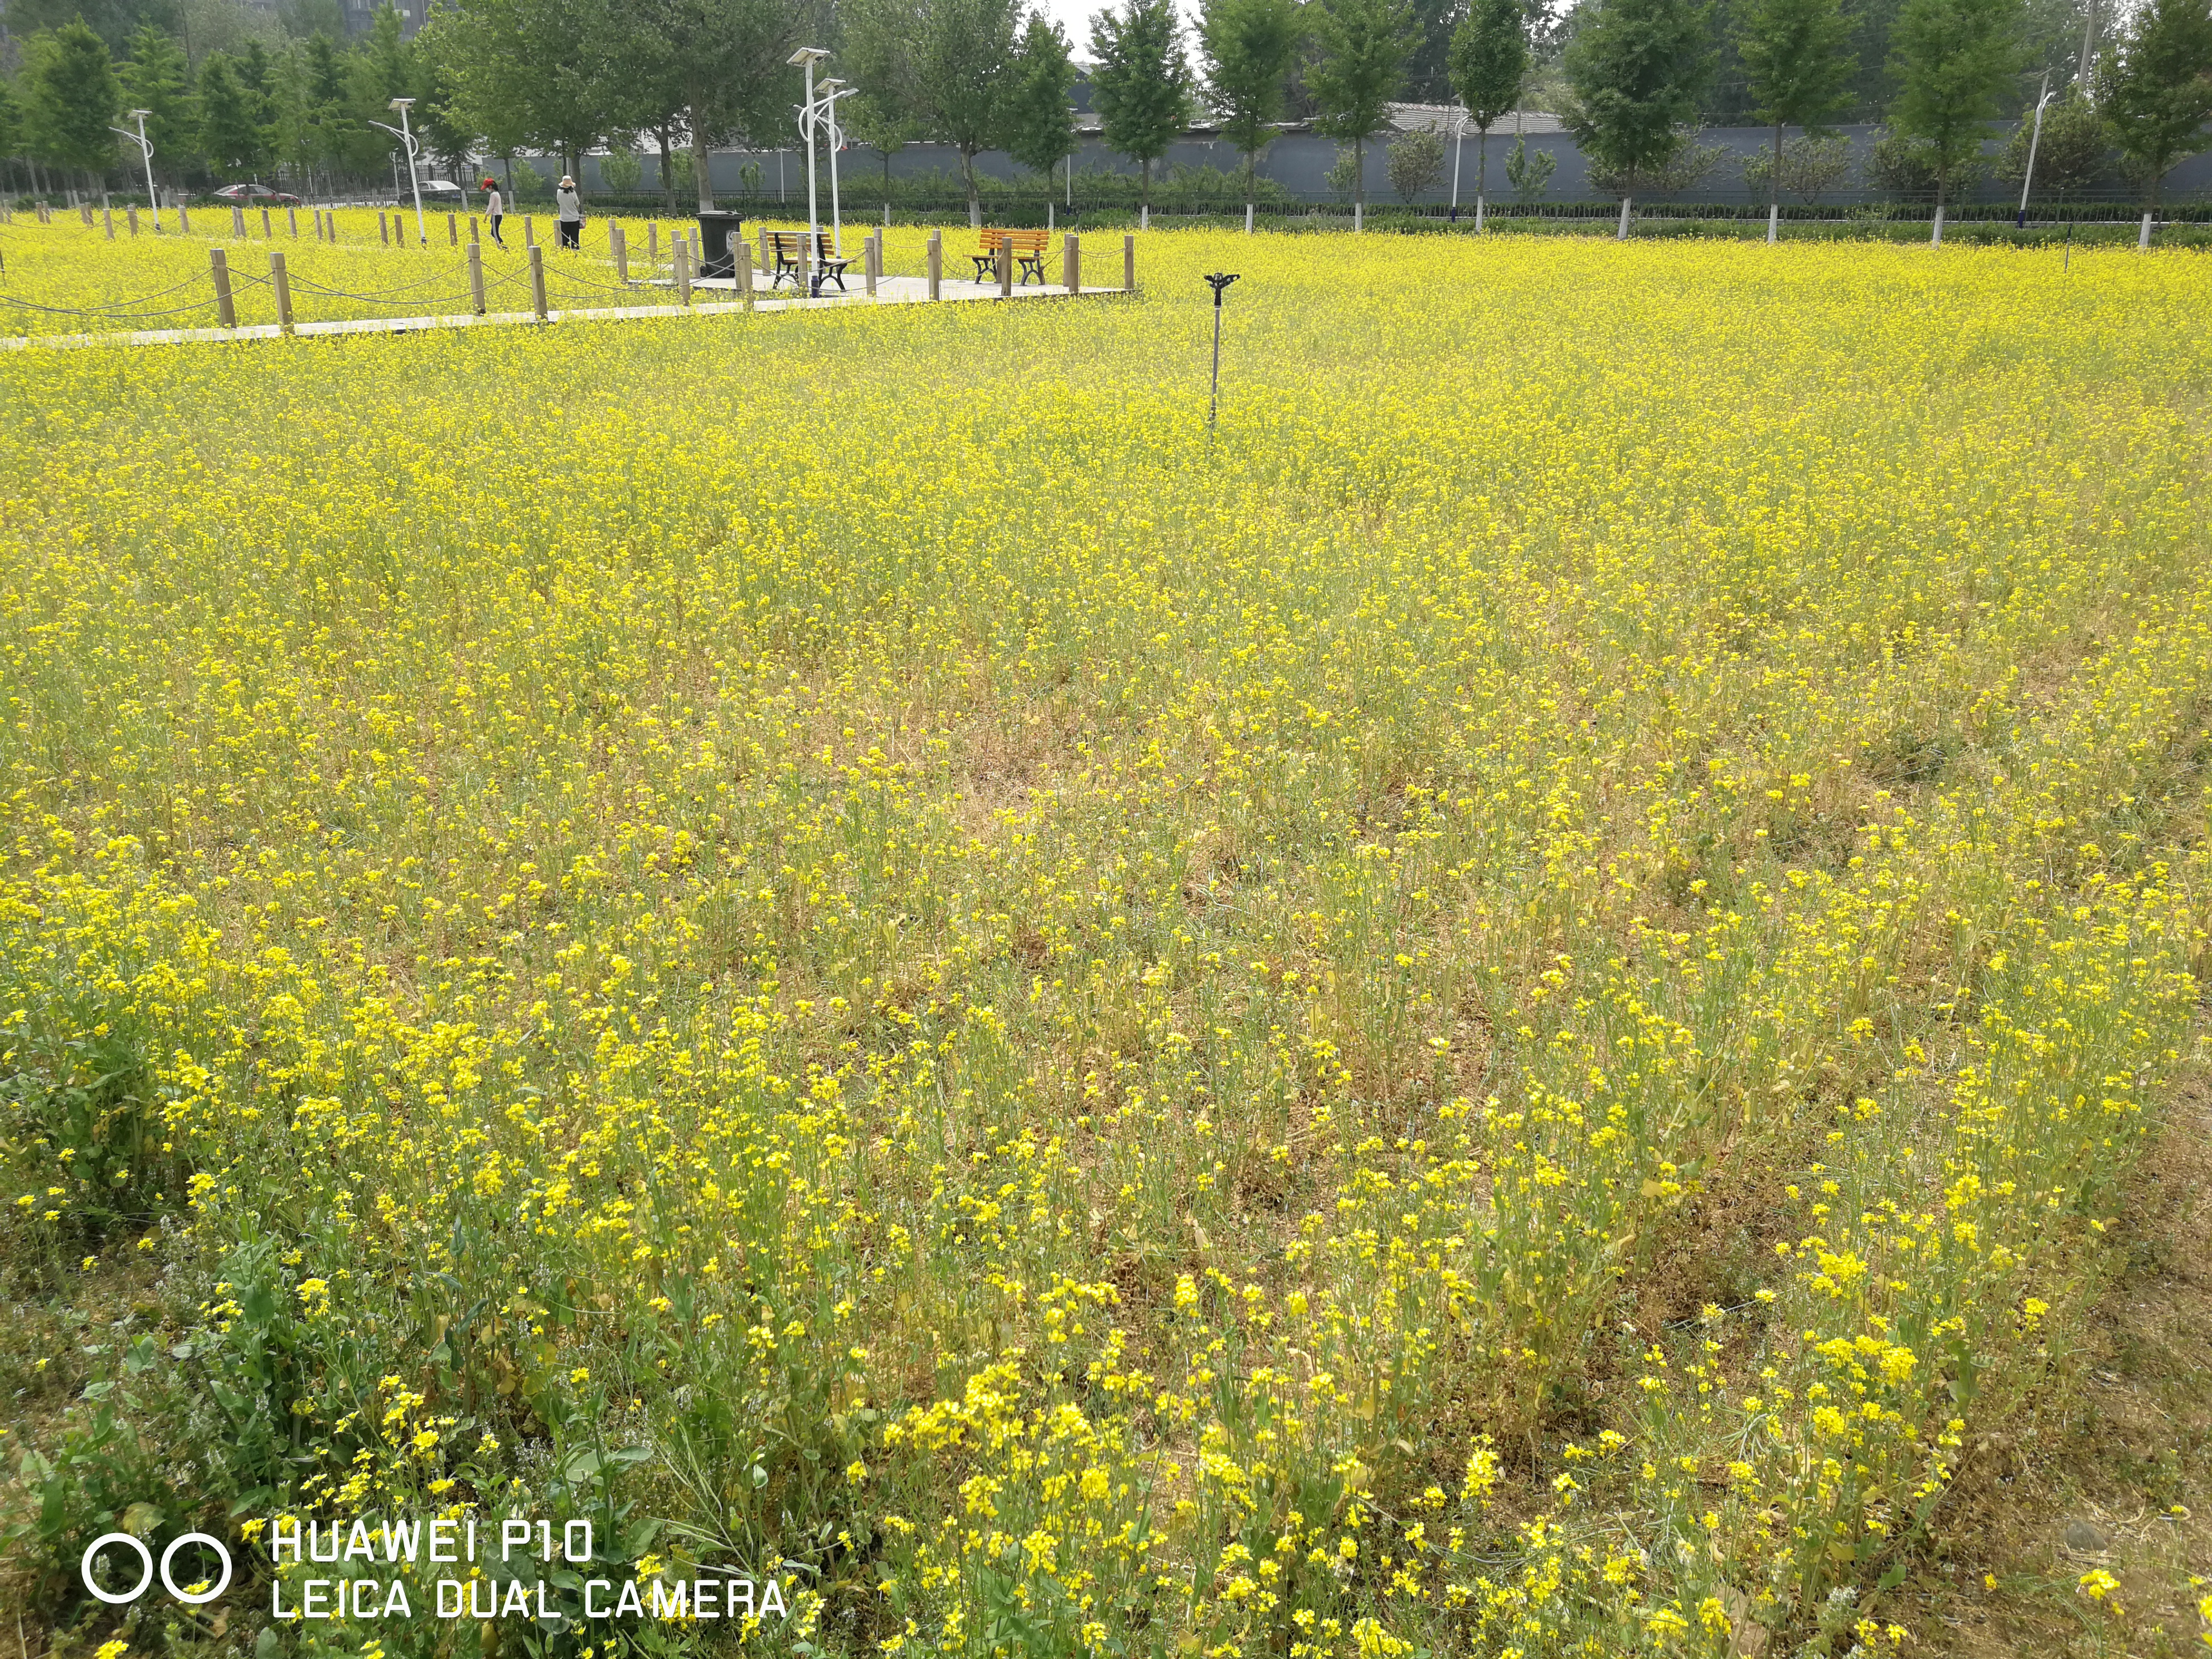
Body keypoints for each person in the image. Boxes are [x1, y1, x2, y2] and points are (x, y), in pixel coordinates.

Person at [555, 176, 583, 250]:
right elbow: (577, 204)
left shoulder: (559, 192)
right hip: (574, 219)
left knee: (565, 238)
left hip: (564, 219)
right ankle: (575, 252)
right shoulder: (573, 193)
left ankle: (566, 253)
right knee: (575, 238)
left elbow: (559, 202)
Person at [483, 177, 505, 246]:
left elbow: (491, 206)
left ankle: (502, 247)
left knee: (494, 233)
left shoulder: (493, 195)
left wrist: (486, 215)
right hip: (499, 215)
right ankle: (502, 246)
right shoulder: (497, 194)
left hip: (496, 215)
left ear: (490, 187)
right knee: (495, 233)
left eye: (487, 187)